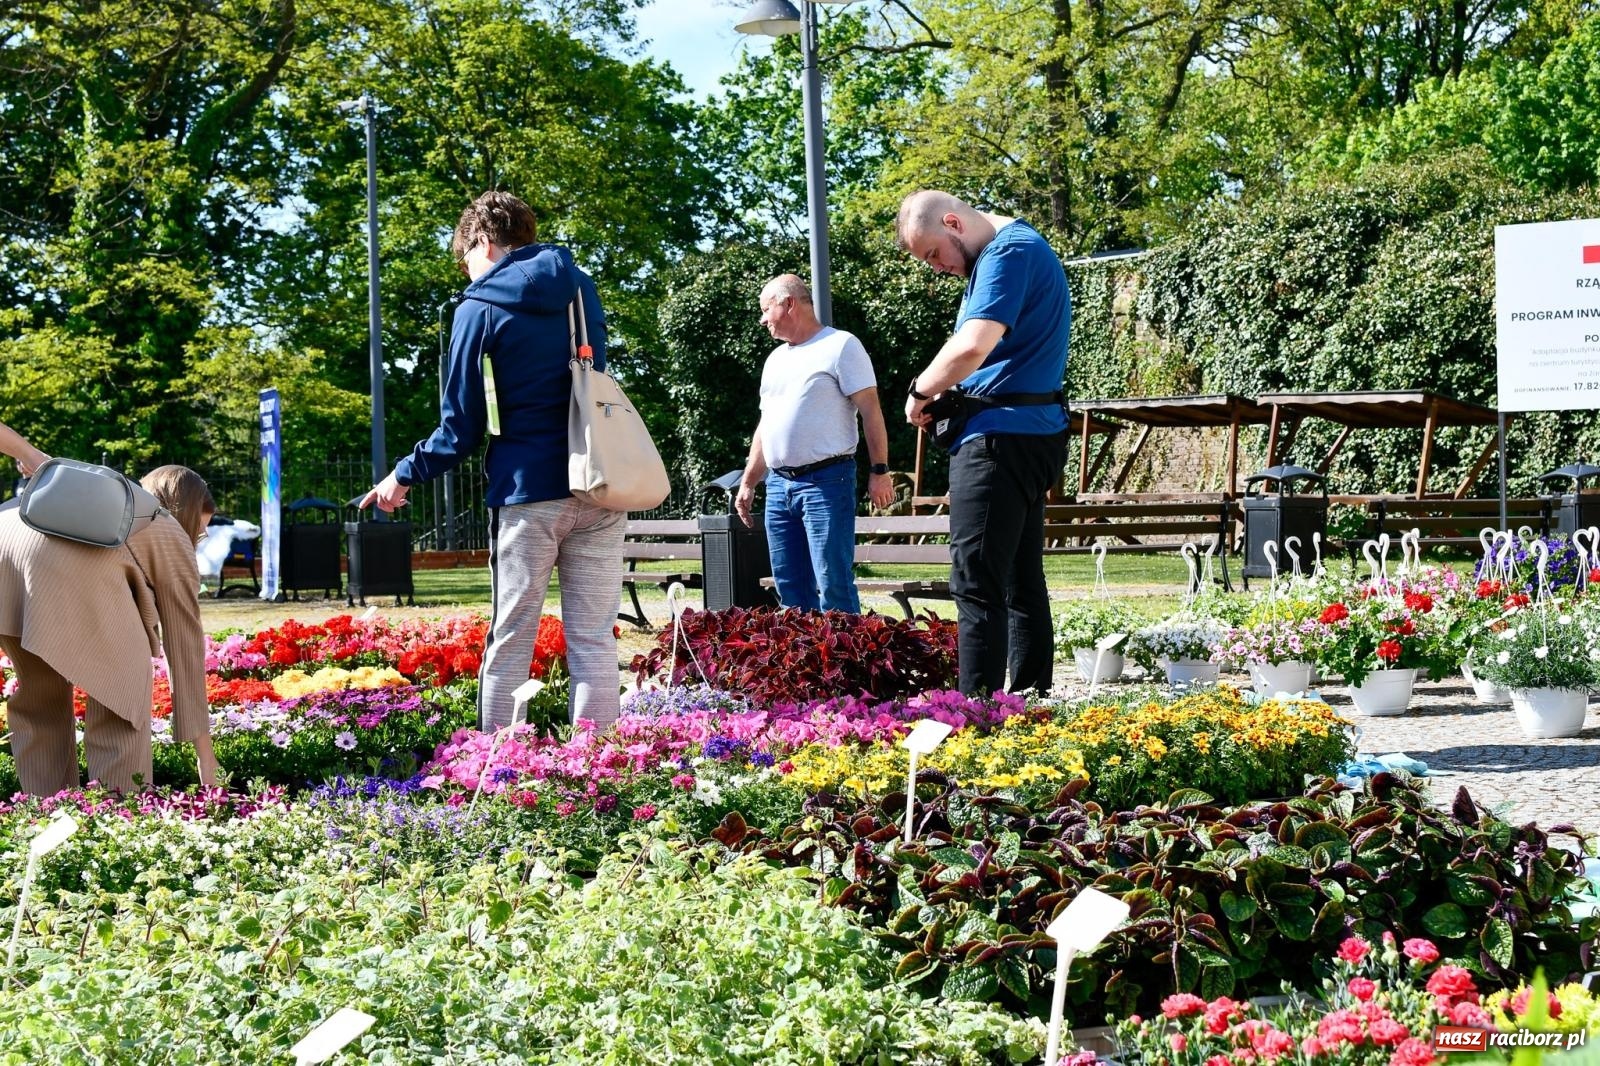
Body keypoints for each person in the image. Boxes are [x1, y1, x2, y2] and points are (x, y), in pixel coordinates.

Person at [361, 191, 626, 732]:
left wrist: (402, 474)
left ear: (482, 241)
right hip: (600, 482)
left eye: (466, 260)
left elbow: (461, 427)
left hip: (528, 492)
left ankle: (498, 767)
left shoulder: (477, 309)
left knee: (513, 632)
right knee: (595, 636)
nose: (467, 273)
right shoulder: (579, 288)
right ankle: (601, 765)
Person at [896, 190, 1071, 695]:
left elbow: (972, 346)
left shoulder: (1006, 253)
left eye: (933, 253)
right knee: (1019, 579)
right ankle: (1029, 705)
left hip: (1000, 442)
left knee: (975, 584)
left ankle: (977, 716)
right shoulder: (1020, 249)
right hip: (1029, 433)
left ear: (953, 222)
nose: (935, 268)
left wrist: (920, 391)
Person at [0, 464, 218, 795]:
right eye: (200, 531)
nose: (199, 541)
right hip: (47, 559)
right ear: (185, 514)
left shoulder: (111, 499)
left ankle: (45, 813)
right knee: (122, 702)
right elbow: (183, 646)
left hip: (7, 545)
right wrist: (207, 761)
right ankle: (118, 816)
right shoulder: (165, 527)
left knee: (41, 697)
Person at [734, 275, 894, 613]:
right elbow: (766, 426)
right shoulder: (775, 359)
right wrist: (749, 481)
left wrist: (880, 470)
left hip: (826, 482)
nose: (763, 319)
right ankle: (804, 665)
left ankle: (847, 663)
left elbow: (871, 411)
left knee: (831, 582)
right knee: (789, 586)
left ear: (788, 303)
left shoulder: (841, 346)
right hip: (778, 486)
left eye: (766, 309)